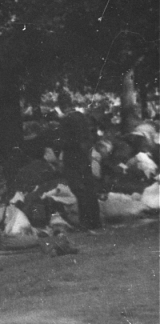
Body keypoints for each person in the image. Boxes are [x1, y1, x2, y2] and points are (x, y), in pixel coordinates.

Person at [58, 95, 103, 230]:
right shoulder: (82, 117)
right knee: (88, 187)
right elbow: (89, 137)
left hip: (72, 157)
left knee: (79, 189)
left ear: (62, 105)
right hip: (84, 156)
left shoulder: (66, 120)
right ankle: (95, 221)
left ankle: (85, 221)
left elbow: (64, 141)